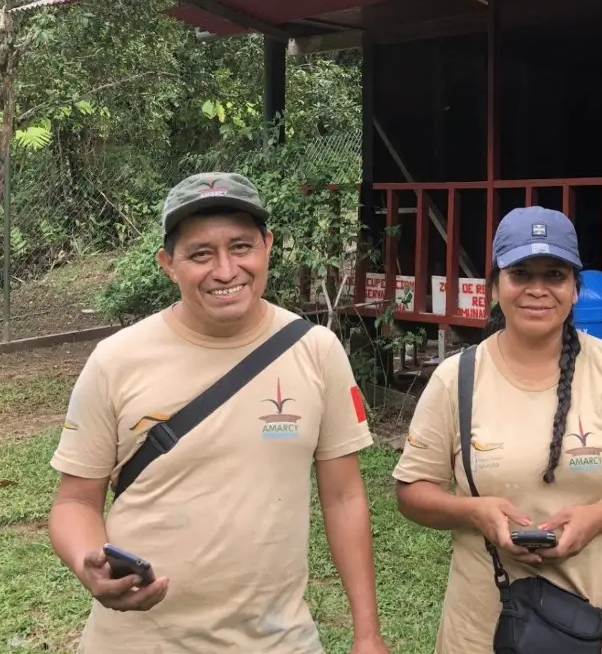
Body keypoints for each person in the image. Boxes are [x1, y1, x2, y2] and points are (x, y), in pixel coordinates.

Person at [46, 172, 389, 654]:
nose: (226, 270)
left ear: (268, 247)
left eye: (241, 247)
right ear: (168, 263)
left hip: (278, 641)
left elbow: (344, 497)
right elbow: (75, 503)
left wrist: (367, 634)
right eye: (200, 254)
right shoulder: (116, 360)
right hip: (139, 640)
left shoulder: (316, 351)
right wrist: (90, 564)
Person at [391, 206, 602, 653]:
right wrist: (475, 513)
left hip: (597, 624)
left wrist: (598, 518)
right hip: (482, 627)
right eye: (521, 274)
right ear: (495, 286)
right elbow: (412, 492)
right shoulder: (457, 378)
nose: (537, 289)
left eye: (555, 275)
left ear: (575, 288)